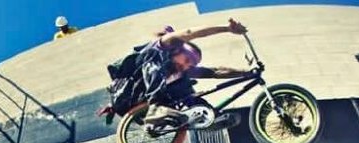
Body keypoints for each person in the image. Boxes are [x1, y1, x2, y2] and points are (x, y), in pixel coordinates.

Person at [99, 19, 249, 124]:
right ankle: (155, 107)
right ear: (177, 50)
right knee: (154, 57)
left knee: (188, 91)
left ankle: (210, 118)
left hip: (139, 111)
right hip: (128, 93)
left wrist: (247, 73)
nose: (185, 66)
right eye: (186, 59)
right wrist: (227, 28)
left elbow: (215, 71)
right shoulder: (162, 46)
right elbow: (189, 33)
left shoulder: (183, 71)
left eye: (191, 64)